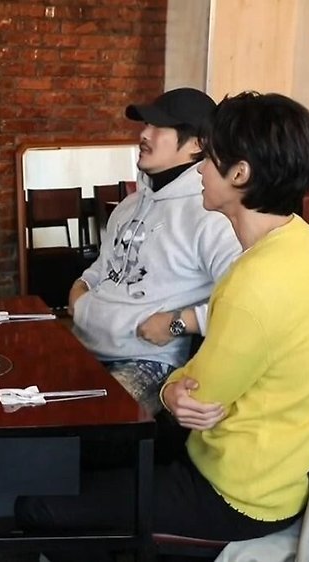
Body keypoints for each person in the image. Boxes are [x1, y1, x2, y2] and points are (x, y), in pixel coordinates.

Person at [17, 92, 309, 560]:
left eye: (211, 158)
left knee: (39, 506)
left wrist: (174, 383)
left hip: (237, 492)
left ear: (240, 174)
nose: (200, 170)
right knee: (75, 458)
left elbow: (193, 399)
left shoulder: (253, 282)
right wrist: (179, 388)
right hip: (260, 463)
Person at [68, 87, 241, 414]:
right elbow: (104, 268)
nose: (144, 134)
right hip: (84, 343)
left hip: (147, 362)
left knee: (84, 424)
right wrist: (81, 289)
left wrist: (179, 323)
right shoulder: (129, 205)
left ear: (197, 144)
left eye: (159, 127)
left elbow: (243, 304)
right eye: (146, 124)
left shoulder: (210, 216)